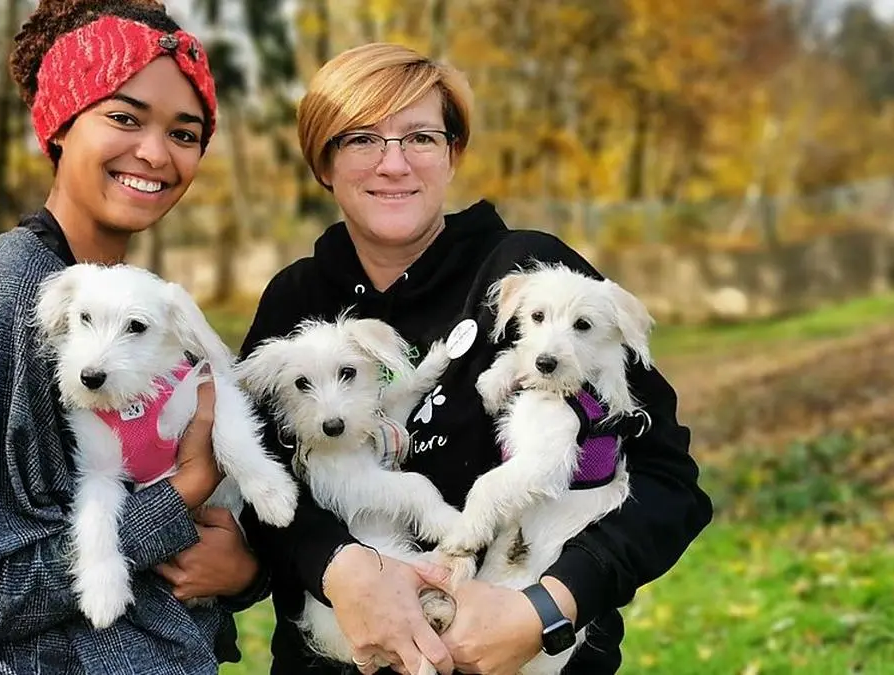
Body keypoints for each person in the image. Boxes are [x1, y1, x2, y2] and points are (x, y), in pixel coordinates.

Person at [238, 43, 714, 675]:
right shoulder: (296, 301)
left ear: (454, 154)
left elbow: (666, 481)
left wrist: (548, 607)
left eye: (421, 137)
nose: (393, 164)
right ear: (323, 161)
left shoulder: (532, 276)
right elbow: (259, 483)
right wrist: (338, 568)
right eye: (360, 140)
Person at [0, 1, 266, 672]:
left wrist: (242, 574)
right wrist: (181, 494)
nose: (156, 153)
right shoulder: (1, 297)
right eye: (124, 118)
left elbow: (185, 555)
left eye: (185, 133)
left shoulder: (136, 309)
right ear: (62, 125)